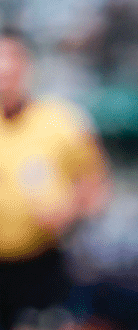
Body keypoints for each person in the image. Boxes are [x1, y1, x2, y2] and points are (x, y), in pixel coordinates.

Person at [0, 29, 112, 329]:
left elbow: (97, 186)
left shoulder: (61, 121)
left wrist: (70, 211)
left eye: (12, 62)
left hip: (43, 264)